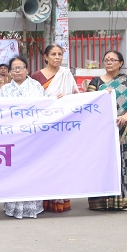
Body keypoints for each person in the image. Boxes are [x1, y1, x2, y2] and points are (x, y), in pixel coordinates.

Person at [86, 50, 127, 212]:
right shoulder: (96, 82)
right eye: (106, 59)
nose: (109, 62)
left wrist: (126, 115)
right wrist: (102, 95)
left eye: (112, 60)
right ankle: (99, 202)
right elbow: (88, 104)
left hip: (123, 129)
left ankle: (121, 201)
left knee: (122, 164)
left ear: (120, 63)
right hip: (100, 131)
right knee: (100, 164)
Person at [31, 44, 79, 213]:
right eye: (53, 54)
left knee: (62, 161)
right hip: (44, 126)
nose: (57, 57)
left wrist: (66, 98)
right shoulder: (36, 76)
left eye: (60, 54)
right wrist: (51, 99)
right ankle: (43, 200)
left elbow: (76, 97)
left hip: (63, 125)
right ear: (46, 57)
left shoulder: (66, 74)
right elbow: (33, 100)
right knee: (44, 162)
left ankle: (60, 201)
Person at [0, 56, 46, 219]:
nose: (17, 70)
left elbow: (45, 107)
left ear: (27, 70)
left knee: (32, 170)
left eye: (21, 67)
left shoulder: (36, 86)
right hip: (12, 137)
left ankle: (33, 207)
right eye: (14, 68)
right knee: (13, 171)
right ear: (10, 71)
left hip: (32, 136)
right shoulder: (4, 90)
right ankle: (12, 207)